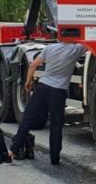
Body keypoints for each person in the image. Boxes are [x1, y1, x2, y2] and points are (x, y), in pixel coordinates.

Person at [10, 37, 87, 165]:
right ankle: (55, 159)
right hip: (58, 92)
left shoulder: (50, 48)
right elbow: (90, 42)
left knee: (27, 119)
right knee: (56, 125)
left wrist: (28, 82)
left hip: (43, 88)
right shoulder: (76, 49)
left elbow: (33, 65)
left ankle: (13, 151)